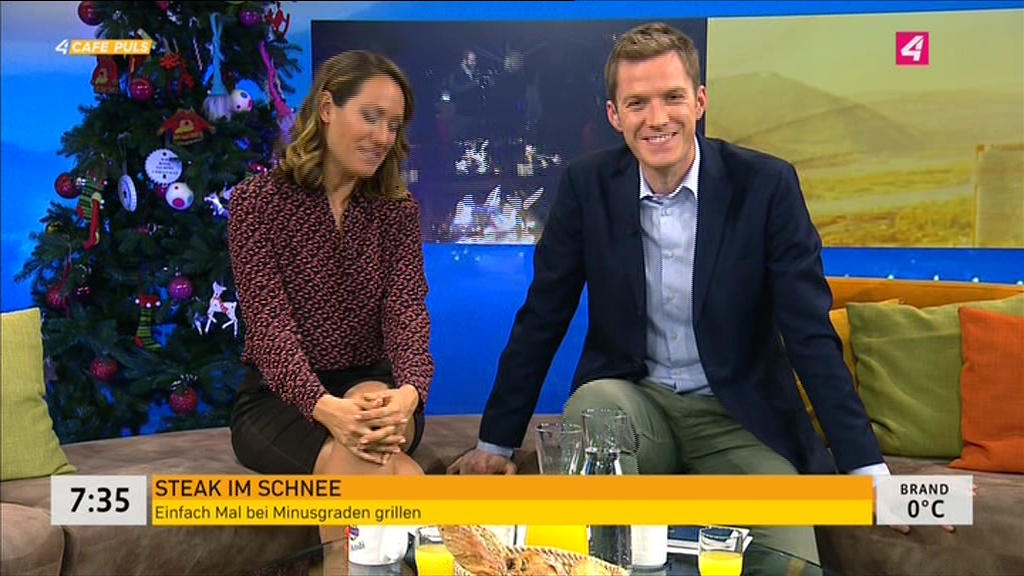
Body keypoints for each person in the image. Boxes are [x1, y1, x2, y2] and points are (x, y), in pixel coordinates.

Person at [447, 22, 898, 563]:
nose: (657, 118)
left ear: (700, 102)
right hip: (635, 407)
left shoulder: (765, 185)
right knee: (594, 406)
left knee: (788, 559)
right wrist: (495, 444)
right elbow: (543, 316)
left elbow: (809, 333)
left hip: (738, 418)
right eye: (637, 103)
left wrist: (866, 467)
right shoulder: (587, 186)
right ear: (614, 115)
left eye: (672, 97)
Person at [228, 50, 432, 545]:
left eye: (393, 125)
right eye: (370, 117)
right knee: (372, 463)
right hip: (281, 401)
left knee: (366, 430)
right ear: (326, 108)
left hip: (378, 390)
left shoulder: (395, 211)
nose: (383, 137)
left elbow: (407, 311)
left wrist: (409, 394)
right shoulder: (258, 204)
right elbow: (269, 327)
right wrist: (323, 407)